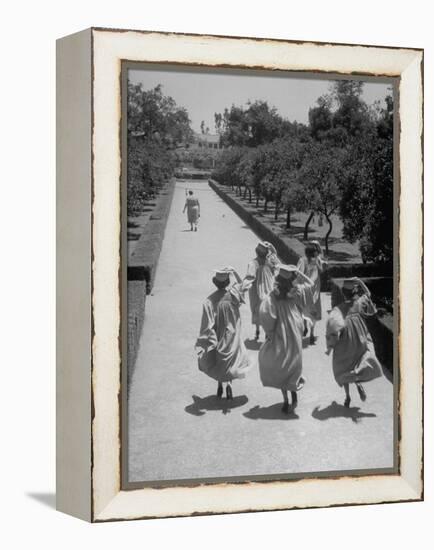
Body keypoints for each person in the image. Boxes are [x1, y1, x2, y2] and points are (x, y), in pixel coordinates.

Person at [258, 264, 314, 414]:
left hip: (280, 330)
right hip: (295, 327)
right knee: (294, 361)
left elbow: (266, 314)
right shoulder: (296, 291)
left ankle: (285, 400)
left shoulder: (272, 295)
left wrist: (269, 332)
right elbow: (311, 285)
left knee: (281, 363)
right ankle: (294, 391)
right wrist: (299, 273)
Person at [195, 267, 252, 399]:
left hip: (217, 334)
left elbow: (207, 324)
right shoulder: (233, 294)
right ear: (227, 283)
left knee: (219, 360)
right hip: (231, 333)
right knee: (231, 359)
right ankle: (229, 385)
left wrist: (208, 339)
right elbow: (244, 284)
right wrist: (234, 272)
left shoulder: (209, 300)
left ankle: (220, 384)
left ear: (214, 282)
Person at [325, 277, 383, 408]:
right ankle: (358, 381)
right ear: (355, 292)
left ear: (343, 293)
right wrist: (360, 281)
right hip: (360, 337)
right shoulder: (360, 302)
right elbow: (368, 294)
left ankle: (347, 396)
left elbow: (333, 326)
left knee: (343, 364)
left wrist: (330, 346)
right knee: (359, 359)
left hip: (346, 339)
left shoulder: (338, 309)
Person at [245, 241, 279, 341]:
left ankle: (257, 330)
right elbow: (275, 254)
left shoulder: (253, 263)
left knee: (256, 309)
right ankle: (267, 332)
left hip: (256, 291)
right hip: (269, 290)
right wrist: (271, 245)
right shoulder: (270, 261)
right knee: (268, 310)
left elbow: (249, 277)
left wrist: (243, 286)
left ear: (256, 252)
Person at [296, 242, 327, 345]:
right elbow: (322, 270)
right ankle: (312, 333)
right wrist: (319, 249)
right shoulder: (317, 260)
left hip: (305, 289)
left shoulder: (302, 260)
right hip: (314, 290)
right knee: (313, 311)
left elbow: (298, 274)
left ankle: (305, 327)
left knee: (303, 309)